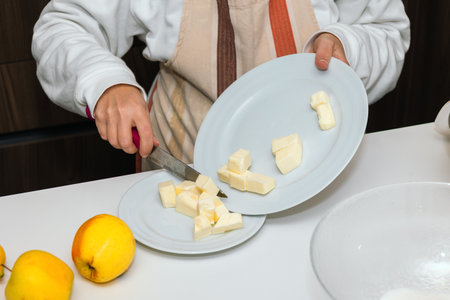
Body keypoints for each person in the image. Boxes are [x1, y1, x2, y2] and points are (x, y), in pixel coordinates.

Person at [32, 0, 410, 170]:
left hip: (321, 174)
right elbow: (63, 25)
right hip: (184, 178)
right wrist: (103, 82)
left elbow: (387, 33)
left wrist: (349, 48)